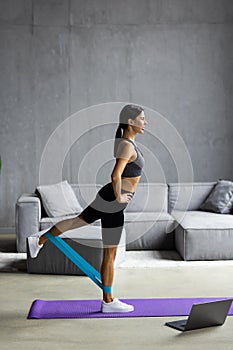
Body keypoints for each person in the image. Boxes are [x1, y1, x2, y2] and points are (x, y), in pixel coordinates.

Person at [29, 104, 148, 313]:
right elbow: (115, 175)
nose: (145, 122)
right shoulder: (127, 146)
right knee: (109, 254)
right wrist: (119, 196)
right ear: (131, 122)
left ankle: (40, 239)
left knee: (79, 221)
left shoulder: (128, 143)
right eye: (142, 119)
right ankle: (108, 302)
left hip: (108, 199)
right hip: (112, 202)